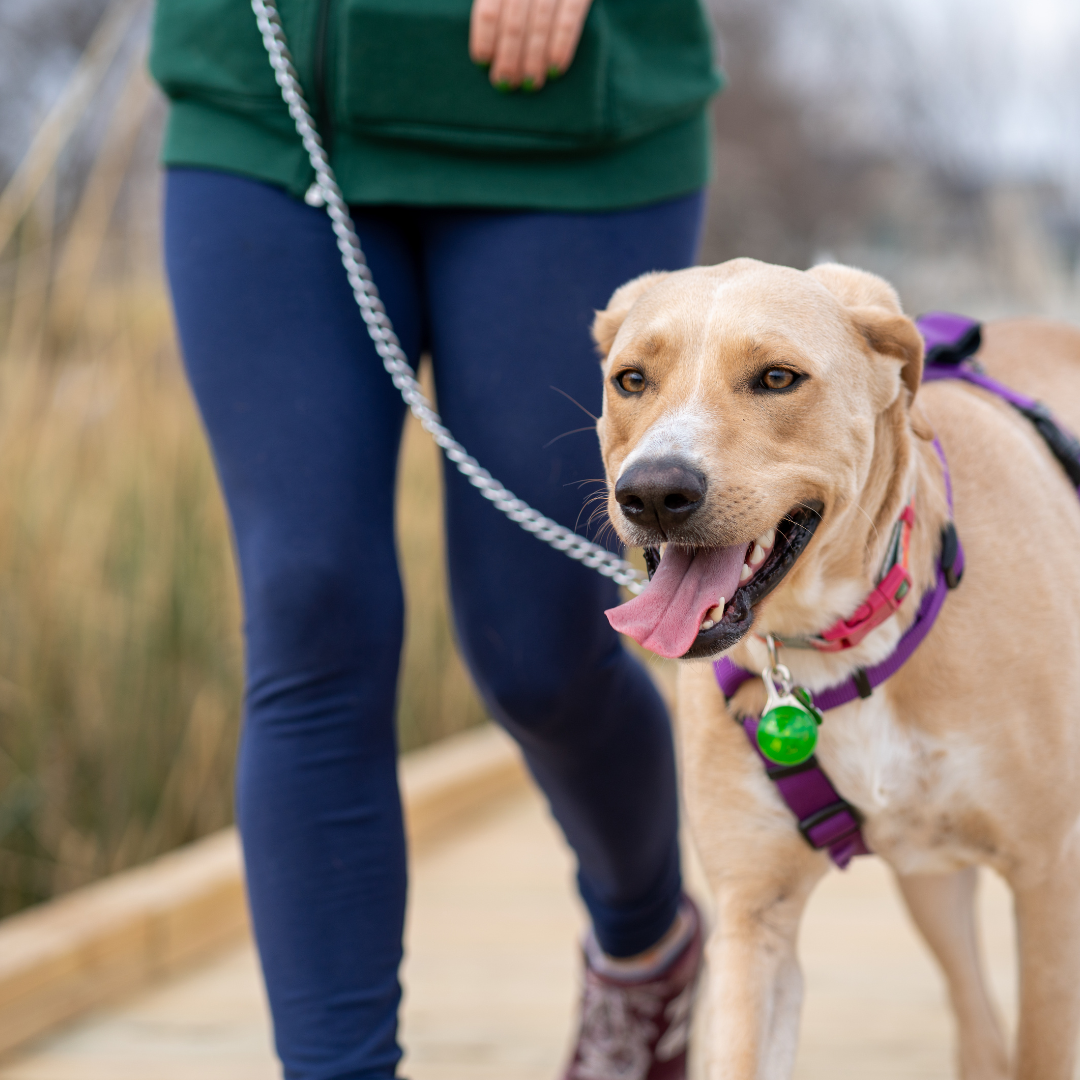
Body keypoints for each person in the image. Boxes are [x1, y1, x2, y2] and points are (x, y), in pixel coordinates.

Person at [150, 1, 721, 1076]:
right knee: (309, 606)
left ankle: (647, 945)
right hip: (267, 119)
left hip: (568, 124)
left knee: (540, 653)